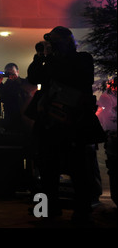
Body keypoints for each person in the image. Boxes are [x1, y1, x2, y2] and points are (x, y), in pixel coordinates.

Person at [27, 26, 105, 225]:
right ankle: (45, 209)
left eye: (57, 41)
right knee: (46, 171)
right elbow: (34, 77)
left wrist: (53, 57)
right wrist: (41, 55)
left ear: (68, 42)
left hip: (74, 124)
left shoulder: (82, 59)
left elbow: (78, 77)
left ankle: (82, 211)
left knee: (79, 171)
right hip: (50, 124)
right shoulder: (50, 60)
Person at [0, 62, 36, 133]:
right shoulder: (6, 85)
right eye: (8, 73)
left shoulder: (24, 82)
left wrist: (17, 81)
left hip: (23, 116)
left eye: (12, 73)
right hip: (9, 117)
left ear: (17, 72)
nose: (10, 75)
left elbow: (30, 92)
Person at [96, 78, 117, 207]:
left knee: (113, 167)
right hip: (111, 134)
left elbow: (98, 113)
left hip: (110, 135)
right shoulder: (107, 97)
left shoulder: (106, 97)